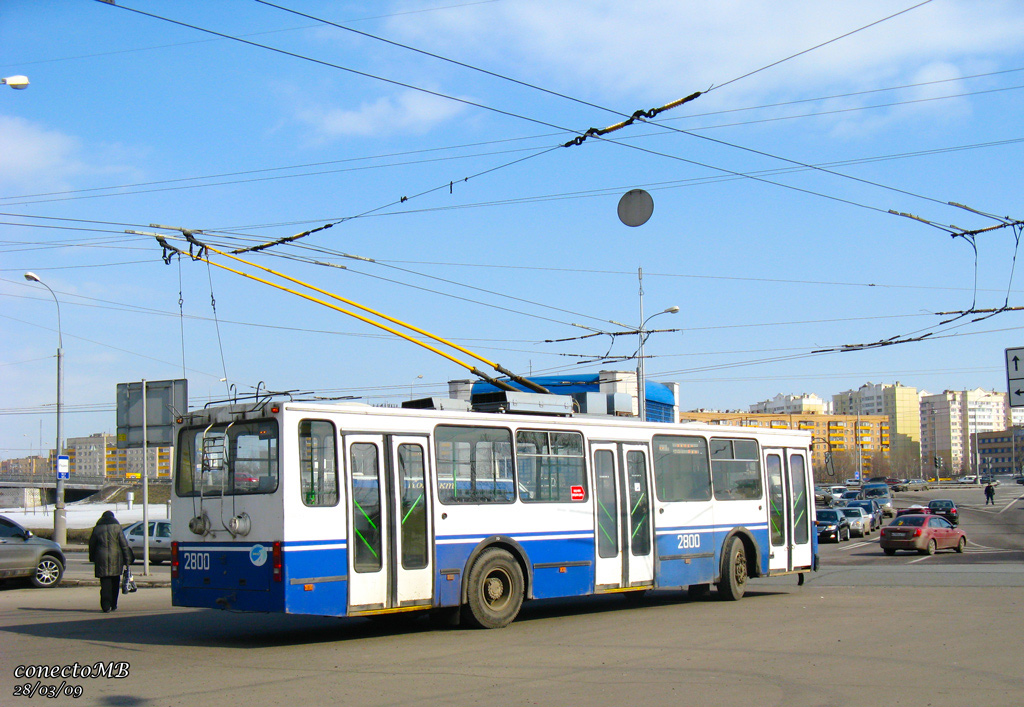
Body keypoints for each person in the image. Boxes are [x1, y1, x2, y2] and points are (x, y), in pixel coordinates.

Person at [88, 510, 131, 613]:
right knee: (115, 583)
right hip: (116, 558)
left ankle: (105, 605)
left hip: (101, 559)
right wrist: (127, 559)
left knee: (105, 584)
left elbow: (92, 544)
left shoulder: (97, 528)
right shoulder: (117, 527)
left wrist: (92, 557)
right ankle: (113, 604)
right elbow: (124, 545)